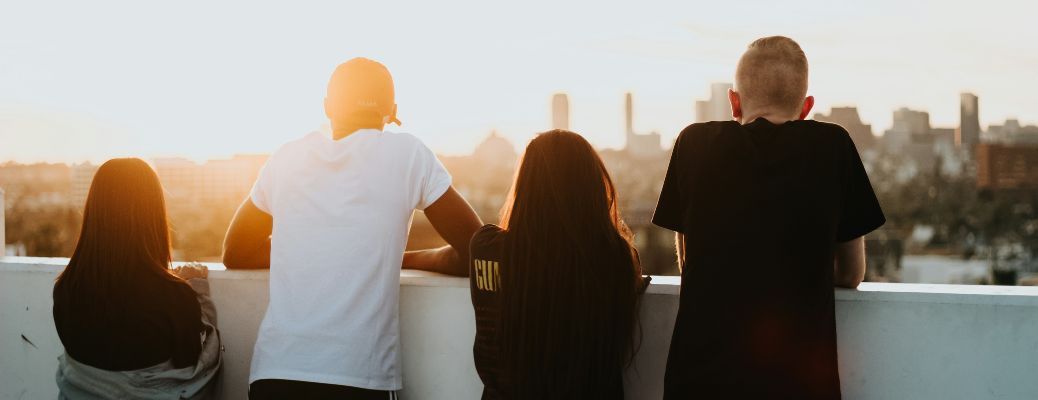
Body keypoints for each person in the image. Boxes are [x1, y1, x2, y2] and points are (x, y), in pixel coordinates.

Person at [222, 57, 482, 399]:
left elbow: (235, 253)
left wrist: (307, 250)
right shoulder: (408, 155)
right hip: (358, 378)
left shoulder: (288, 157)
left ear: (328, 107)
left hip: (276, 373)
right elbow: (479, 249)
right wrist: (403, 259)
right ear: (392, 110)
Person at [653, 36, 886, 399]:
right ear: (807, 107)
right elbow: (849, 274)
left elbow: (690, 261)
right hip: (799, 384)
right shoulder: (833, 146)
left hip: (700, 381)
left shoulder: (693, 144)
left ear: (734, 101)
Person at [469, 130, 648, 400]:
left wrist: (408, 257)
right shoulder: (615, 258)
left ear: (526, 185)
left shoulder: (487, 248)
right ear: (592, 187)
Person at [53, 158, 221, 399]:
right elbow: (195, 367)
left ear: (95, 211)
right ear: (152, 215)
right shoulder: (173, 297)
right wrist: (199, 293)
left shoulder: (65, 290)